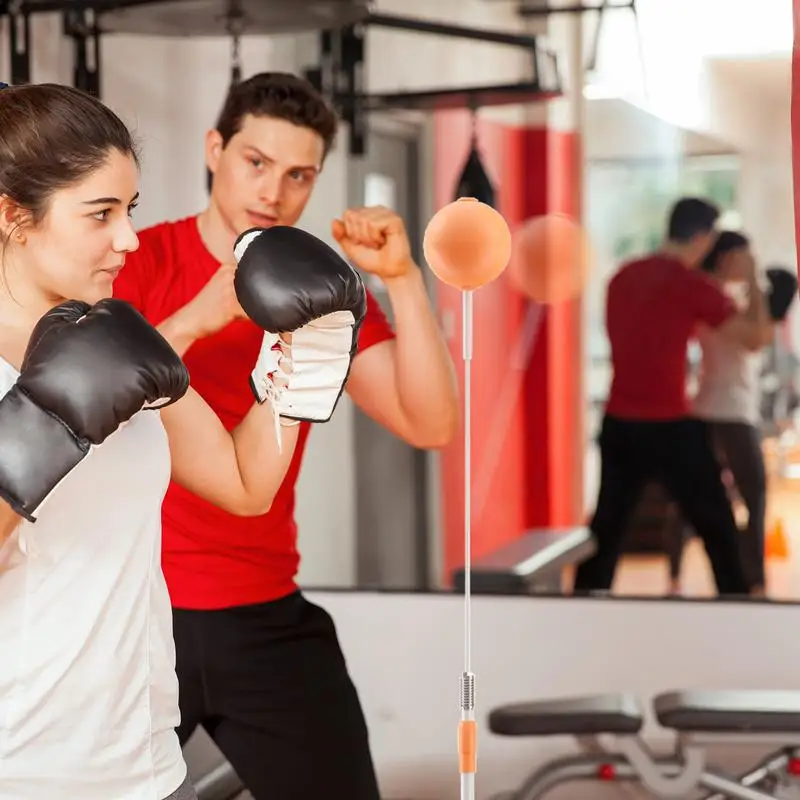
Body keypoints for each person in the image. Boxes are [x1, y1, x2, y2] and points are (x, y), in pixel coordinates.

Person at [0, 82, 364, 800]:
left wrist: (297, 367)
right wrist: (48, 419)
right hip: (24, 761)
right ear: (14, 216)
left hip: (139, 757)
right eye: (100, 213)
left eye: (129, 211)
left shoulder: (117, 339)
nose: (127, 239)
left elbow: (244, 481)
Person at [112, 71, 459, 799]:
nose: (273, 192)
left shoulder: (314, 289)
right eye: (256, 163)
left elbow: (430, 423)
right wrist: (203, 315)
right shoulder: (138, 262)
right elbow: (93, 398)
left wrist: (400, 280)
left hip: (263, 611)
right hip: (135, 615)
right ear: (216, 149)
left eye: (299, 175)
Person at [573, 197, 771, 597]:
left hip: (619, 422)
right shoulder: (690, 285)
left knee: (606, 533)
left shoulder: (622, 276)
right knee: (718, 528)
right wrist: (753, 278)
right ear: (702, 236)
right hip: (669, 426)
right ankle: (739, 604)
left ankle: (581, 608)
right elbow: (754, 338)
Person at [667, 231, 794, 596]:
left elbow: (762, 332)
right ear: (727, 257)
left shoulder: (725, 296)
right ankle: (753, 582)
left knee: (696, 496)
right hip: (728, 411)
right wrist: (754, 278)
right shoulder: (712, 295)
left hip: (721, 407)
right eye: (744, 255)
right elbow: (756, 336)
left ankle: (683, 578)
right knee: (749, 494)